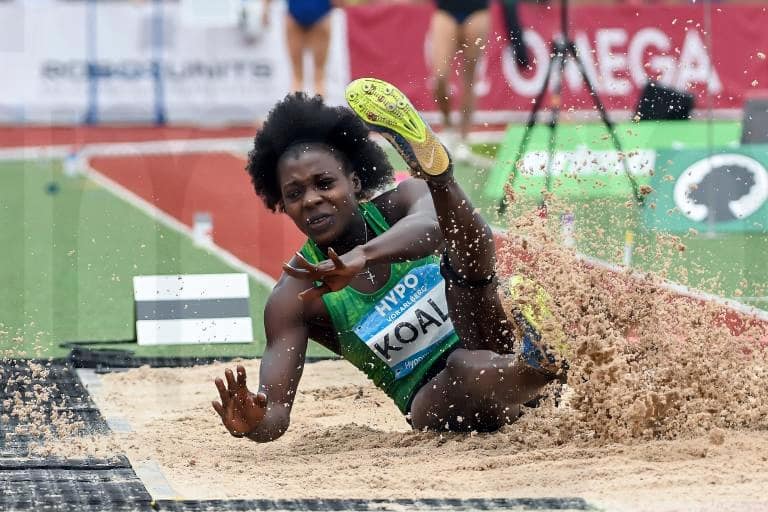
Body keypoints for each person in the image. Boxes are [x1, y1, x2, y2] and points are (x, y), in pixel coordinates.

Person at [212, 78, 564, 441]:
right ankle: (545, 365)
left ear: (356, 183)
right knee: (463, 366)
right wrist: (255, 422)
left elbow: (434, 227)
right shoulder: (294, 296)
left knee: (462, 244)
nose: (312, 199)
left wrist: (362, 255)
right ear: (282, 205)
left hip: (489, 338)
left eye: (324, 183)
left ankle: (440, 178)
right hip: (433, 398)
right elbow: (277, 412)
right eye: (295, 193)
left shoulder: (402, 202)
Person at [429, 0, 490, 160]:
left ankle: (464, 139)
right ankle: (448, 128)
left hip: (476, 10)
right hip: (446, 9)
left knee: (469, 79)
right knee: (440, 76)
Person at [263, 0, 338, 97]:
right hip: (317, 12)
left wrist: (265, 9)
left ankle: (298, 110)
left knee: (299, 77)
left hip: (301, 12)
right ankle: (316, 110)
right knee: (317, 76)